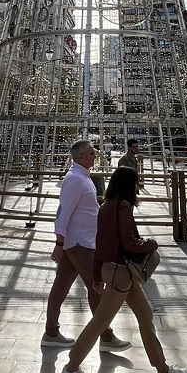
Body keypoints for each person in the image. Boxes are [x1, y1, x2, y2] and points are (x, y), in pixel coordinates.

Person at [60, 166, 187, 373]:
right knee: (100, 322)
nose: (137, 186)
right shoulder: (123, 206)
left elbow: (100, 243)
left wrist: (98, 274)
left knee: (145, 316)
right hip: (121, 272)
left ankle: (163, 370)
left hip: (116, 271)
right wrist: (151, 244)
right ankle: (71, 368)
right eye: (136, 182)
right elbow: (130, 243)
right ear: (129, 184)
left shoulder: (106, 206)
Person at [42, 140, 129, 351]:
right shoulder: (75, 180)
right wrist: (59, 243)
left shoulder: (82, 177)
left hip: (80, 241)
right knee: (97, 286)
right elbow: (63, 213)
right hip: (79, 243)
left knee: (61, 286)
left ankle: (51, 332)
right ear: (80, 156)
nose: (94, 155)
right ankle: (106, 336)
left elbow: (81, 209)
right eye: (91, 153)